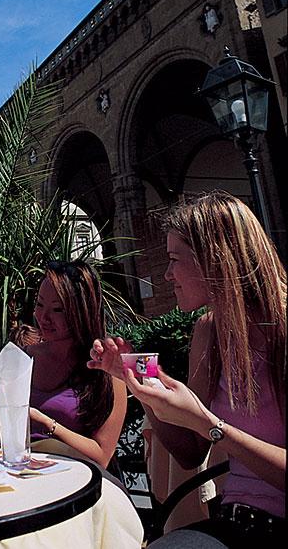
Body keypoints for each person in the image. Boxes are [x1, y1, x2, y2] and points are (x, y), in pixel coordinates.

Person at [89, 191, 286, 547]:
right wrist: (137, 377)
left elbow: (205, 429)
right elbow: (190, 450)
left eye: (174, 260)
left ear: (215, 261)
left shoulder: (283, 329)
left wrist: (208, 424)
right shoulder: (209, 330)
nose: (166, 275)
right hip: (235, 521)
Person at [0, 260, 127, 469]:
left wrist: (46, 424)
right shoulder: (22, 359)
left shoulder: (106, 370)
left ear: (81, 311)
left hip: (84, 483)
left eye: (57, 310)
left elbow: (102, 455)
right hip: (27, 479)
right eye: (39, 304)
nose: (43, 317)